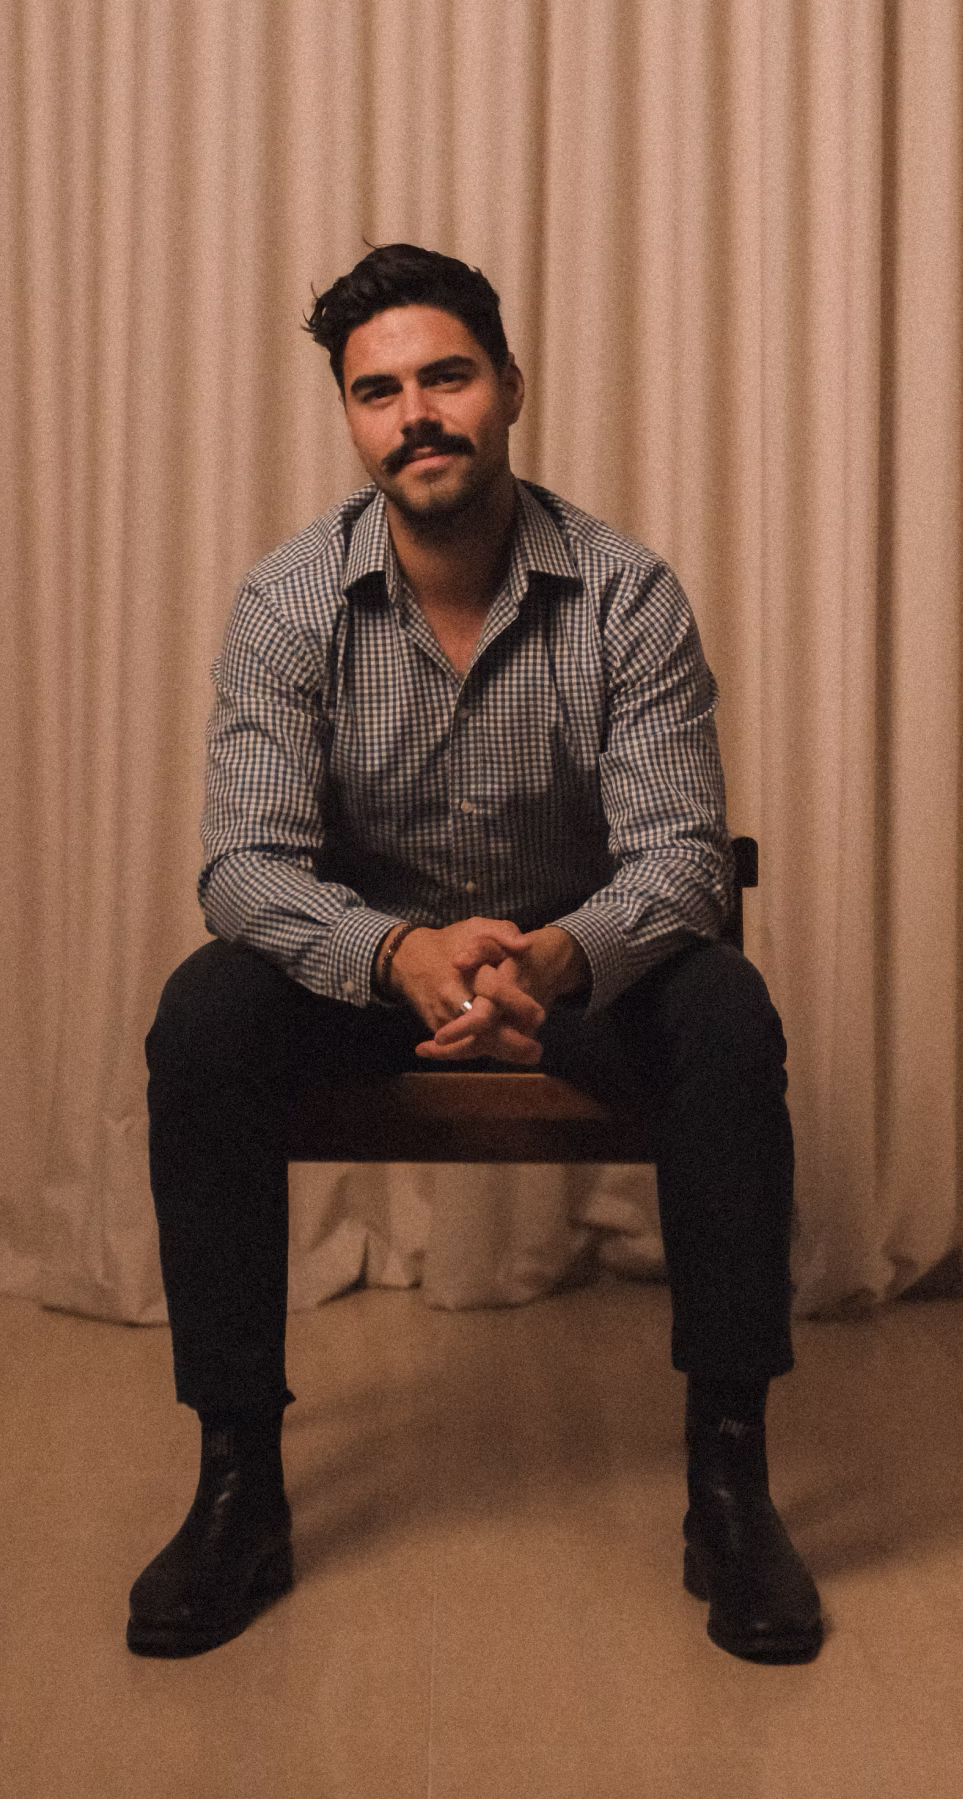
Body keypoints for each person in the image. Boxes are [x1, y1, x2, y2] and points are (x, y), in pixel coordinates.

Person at [129, 244, 821, 1666]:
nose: (416, 413)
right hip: (370, 987)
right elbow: (246, 866)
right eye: (378, 391)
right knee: (204, 1016)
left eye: (445, 376)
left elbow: (685, 855)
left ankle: (729, 1486)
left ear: (509, 387)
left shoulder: (625, 593)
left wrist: (558, 961)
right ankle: (238, 1488)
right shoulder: (288, 603)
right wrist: (398, 957)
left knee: (730, 1011)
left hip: (582, 979)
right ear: (350, 417)